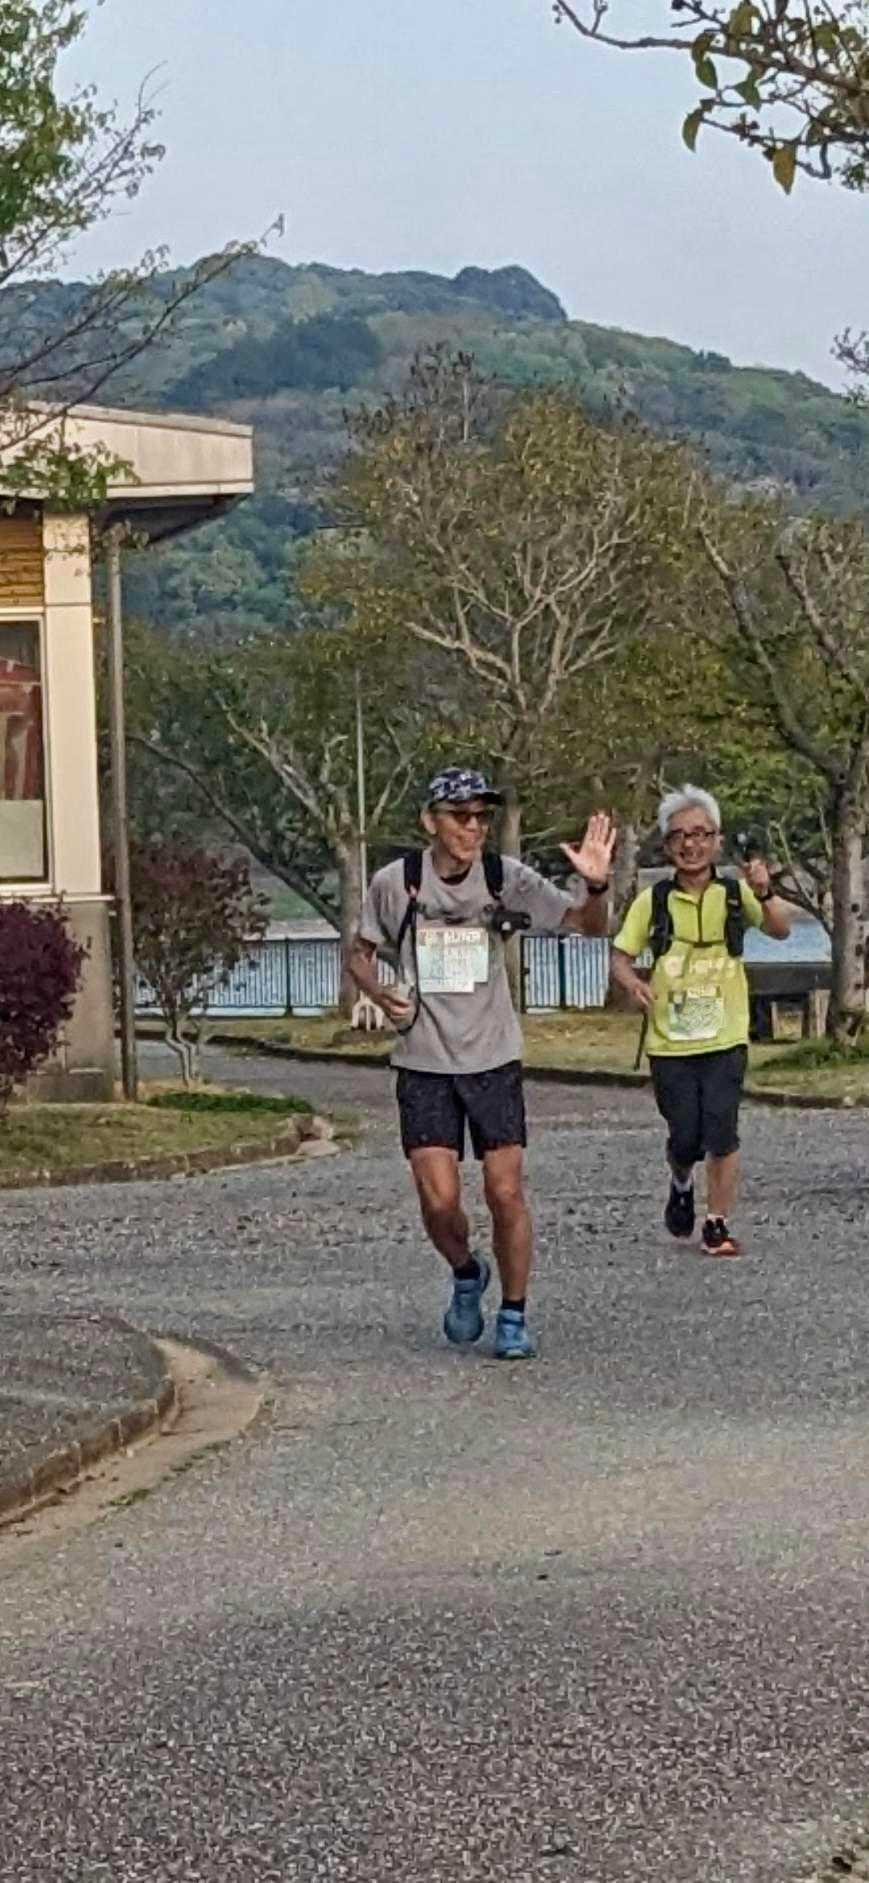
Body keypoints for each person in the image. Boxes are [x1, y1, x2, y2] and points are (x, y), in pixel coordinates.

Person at [348, 767, 616, 1359]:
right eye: (460, 816)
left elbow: (585, 926)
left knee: (505, 1191)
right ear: (431, 821)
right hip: (423, 1062)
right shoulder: (396, 883)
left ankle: (514, 1314)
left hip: (492, 1058)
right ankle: (467, 1272)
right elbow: (358, 953)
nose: (473, 828)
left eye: (482, 817)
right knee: (439, 1200)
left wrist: (595, 887)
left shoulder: (504, 878)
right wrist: (377, 990)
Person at [611, 784, 791, 1258]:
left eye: (701, 834)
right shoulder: (653, 901)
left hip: (725, 1035)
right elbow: (620, 957)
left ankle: (717, 1221)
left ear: (717, 840)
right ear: (666, 845)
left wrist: (765, 890)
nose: (690, 844)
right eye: (679, 836)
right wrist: (632, 984)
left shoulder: (734, 894)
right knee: (686, 1137)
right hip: (670, 1041)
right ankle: (680, 1180)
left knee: (723, 1131)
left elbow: (780, 929)